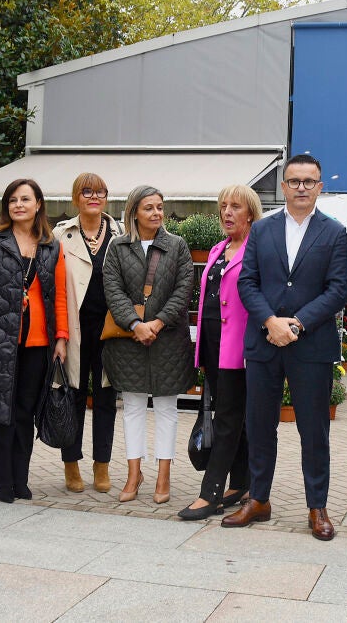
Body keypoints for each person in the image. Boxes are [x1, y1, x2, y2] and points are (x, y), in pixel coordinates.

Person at [222, 153, 347, 541]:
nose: (301, 188)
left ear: (320, 187)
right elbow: (247, 282)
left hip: (311, 345)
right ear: (283, 186)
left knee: (314, 430)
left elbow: (338, 290)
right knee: (260, 426)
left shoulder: (334, 233)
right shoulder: (262, 230)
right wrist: (270, 321)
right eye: (294, 181)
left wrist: (297, 322)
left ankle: (317, 507)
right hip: (264, 342)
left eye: (309, 181)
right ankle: (258, 499)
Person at [0, 178, 68, 503]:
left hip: (38, 341)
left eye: (25, 199)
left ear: (38, 204)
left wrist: (61, 337)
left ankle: (20, 478)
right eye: (13, 200)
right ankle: (1, 480)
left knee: (24, 411)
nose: (19, 205)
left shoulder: (52, 246)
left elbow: (59, 296)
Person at [101, 185, 195, 504]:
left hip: (169, 339)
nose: (156, 213)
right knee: (133, 408)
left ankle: (163, 476)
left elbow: (184, 290)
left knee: (167, 408)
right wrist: (135, 324)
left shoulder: (177, 245)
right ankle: (133, 474)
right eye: (149, 208)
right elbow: (113, 290)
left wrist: (156, 323)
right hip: (129, 340)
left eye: (159, 207)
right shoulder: (118, 247)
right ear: (134, 212)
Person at [178, 184, 263, 520]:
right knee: (231, 414)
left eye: (236, 206)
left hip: (240, 348)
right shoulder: (218, 248)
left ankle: (210, 493)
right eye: (224, 206)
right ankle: (241, 482)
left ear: (251, 213)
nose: (227, 212)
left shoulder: (258, 250)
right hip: (212, 343)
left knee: (226, 417)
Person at [54, 173, 122, 494]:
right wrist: (58, 333)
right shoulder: (61, 234)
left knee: (106, 397)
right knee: (74, 395)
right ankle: (71, 463)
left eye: (100, 192)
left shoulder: (121, 234)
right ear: (76, 197)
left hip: (110, 328)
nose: (94, 197)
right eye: (87, 192)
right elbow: (53, 286)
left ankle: (101, 465)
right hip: (74, 328)